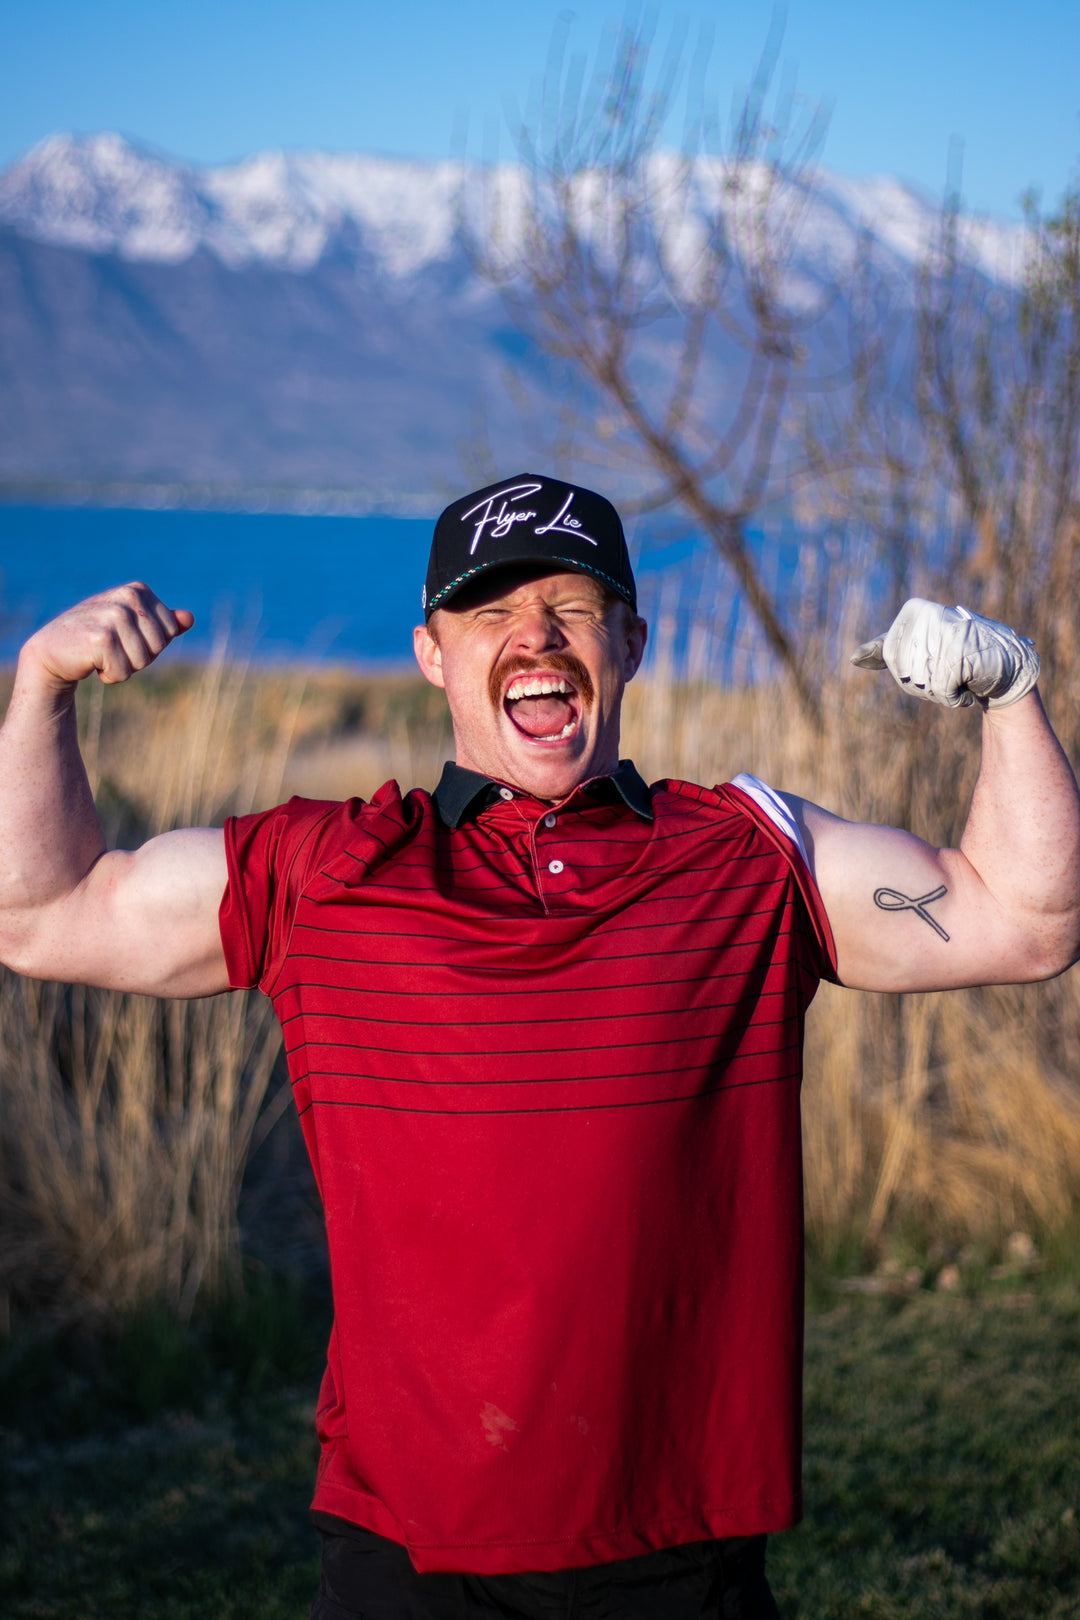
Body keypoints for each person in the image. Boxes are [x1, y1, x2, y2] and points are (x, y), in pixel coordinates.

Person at [1, 472, 1078, 1620]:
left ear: (633, 641)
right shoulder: (329, 873)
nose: (535, 636)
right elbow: (45, 913)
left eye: (571, 606)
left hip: (674, 1548)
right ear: (431, 654)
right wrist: (40, 690)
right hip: (403, 1557)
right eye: (491, 611)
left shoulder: (749, 856)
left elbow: (1025, 919)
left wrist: (1011, 698)